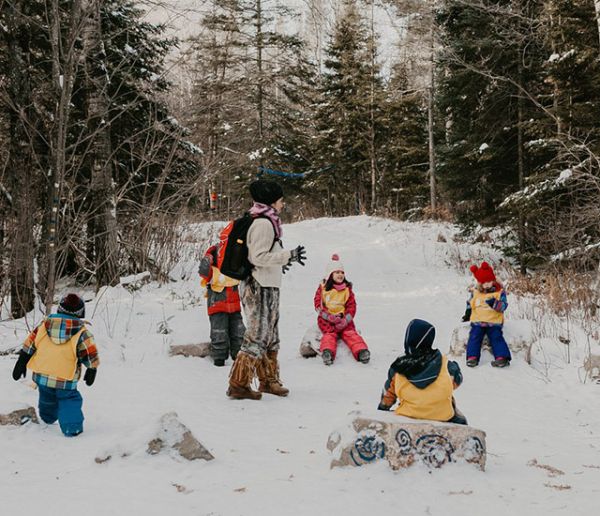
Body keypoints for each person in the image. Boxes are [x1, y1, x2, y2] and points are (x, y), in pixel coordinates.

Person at [227, 179, 306, 400]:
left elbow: (264, 255)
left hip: (267, 285)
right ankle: (239, 384)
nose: (283, 204)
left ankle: (268, 380)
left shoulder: (267, 221)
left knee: (271, 336)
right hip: (258, 286)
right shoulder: (262, 223)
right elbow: (258, 257)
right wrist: (287, 255)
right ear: (271, 201)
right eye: (281, 200)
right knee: (258, 335)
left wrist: (281, 261)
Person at [11, 293, 99, 436]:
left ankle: (48, 417)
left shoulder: (43, 326)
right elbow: (89, 353)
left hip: (42, 375)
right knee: (68, 399)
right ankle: (72, 427)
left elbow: (29, 344)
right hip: (65, 379)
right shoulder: (82, 333)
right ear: (81, 312)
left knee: (47, 396)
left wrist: (22, 362)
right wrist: (92, 369)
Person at [377, 318, 467, 425]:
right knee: (461, 419)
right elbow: (457, 380)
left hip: (408, 415)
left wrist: (382, 408)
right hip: (442, 416)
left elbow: (389, 395)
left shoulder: (399, 367)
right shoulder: (446, 365)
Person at [314, 254, 370, 365]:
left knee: (351, 334)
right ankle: (327, 352)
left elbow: (351, 306)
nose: (340, 275)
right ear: (330, 275)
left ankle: (361, 351)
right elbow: (318, 304)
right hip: (328, 320)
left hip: (343, 320)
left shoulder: (347, 289)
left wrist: (345, 320)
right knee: (329, 335)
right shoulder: (323, 289)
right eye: (337, 272)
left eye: (342, 272)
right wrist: (327, 316)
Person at [198, 245, 245, 367]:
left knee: (238, 330)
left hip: (234, 303)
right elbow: (204, 272)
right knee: (219, 330)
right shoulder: (213, 262)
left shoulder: (237, 259)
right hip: (217, 302)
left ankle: (239, 355)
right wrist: (208, 259)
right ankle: (219, 357)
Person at [462, 261, 511, 368]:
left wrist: (494, 303)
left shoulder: (499, 292)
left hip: (494, 322)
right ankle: (472, 358)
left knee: (496, 337)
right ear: (480, 283)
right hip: (478, 321)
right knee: (474, 336)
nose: (487, 284)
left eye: (489, 281)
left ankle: (502, 358)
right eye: (484, 282)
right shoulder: (475, 292)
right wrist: (467, 313)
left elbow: (503, 306)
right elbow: (470, 303)